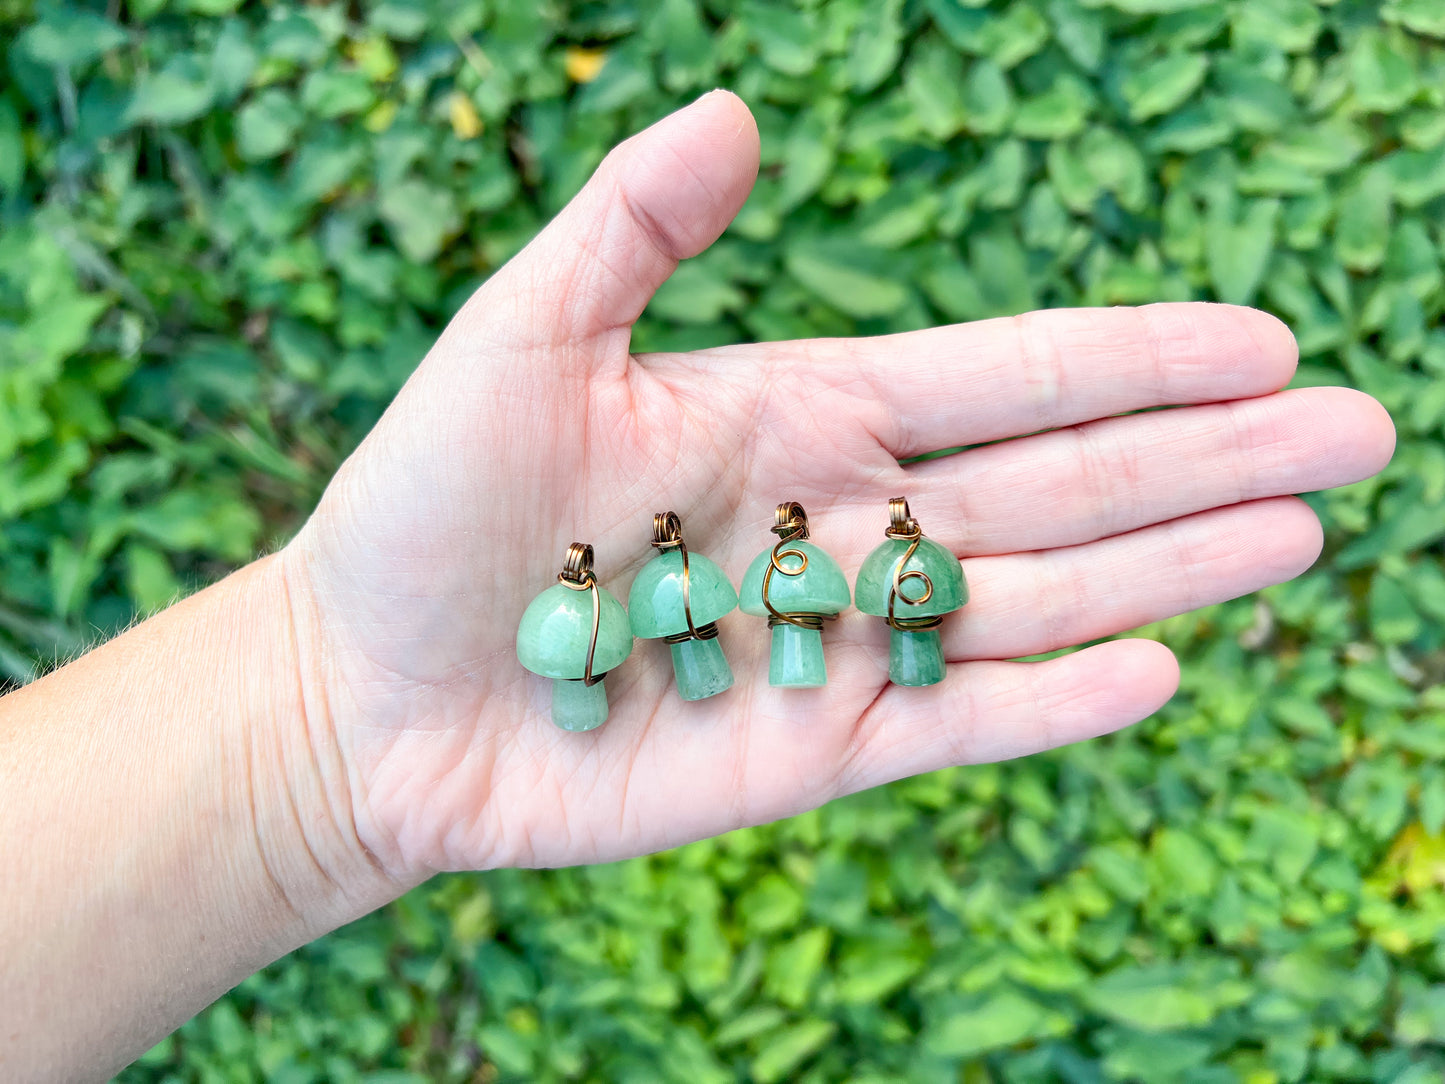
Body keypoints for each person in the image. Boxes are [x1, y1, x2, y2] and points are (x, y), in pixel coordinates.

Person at [0, 91, 1395, 1081]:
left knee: (809, 639)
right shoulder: (636, 607)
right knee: (723, 644)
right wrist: (323, 705)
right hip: (690, 618)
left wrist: (316, 725)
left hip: (759, 609)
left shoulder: (800, 580)